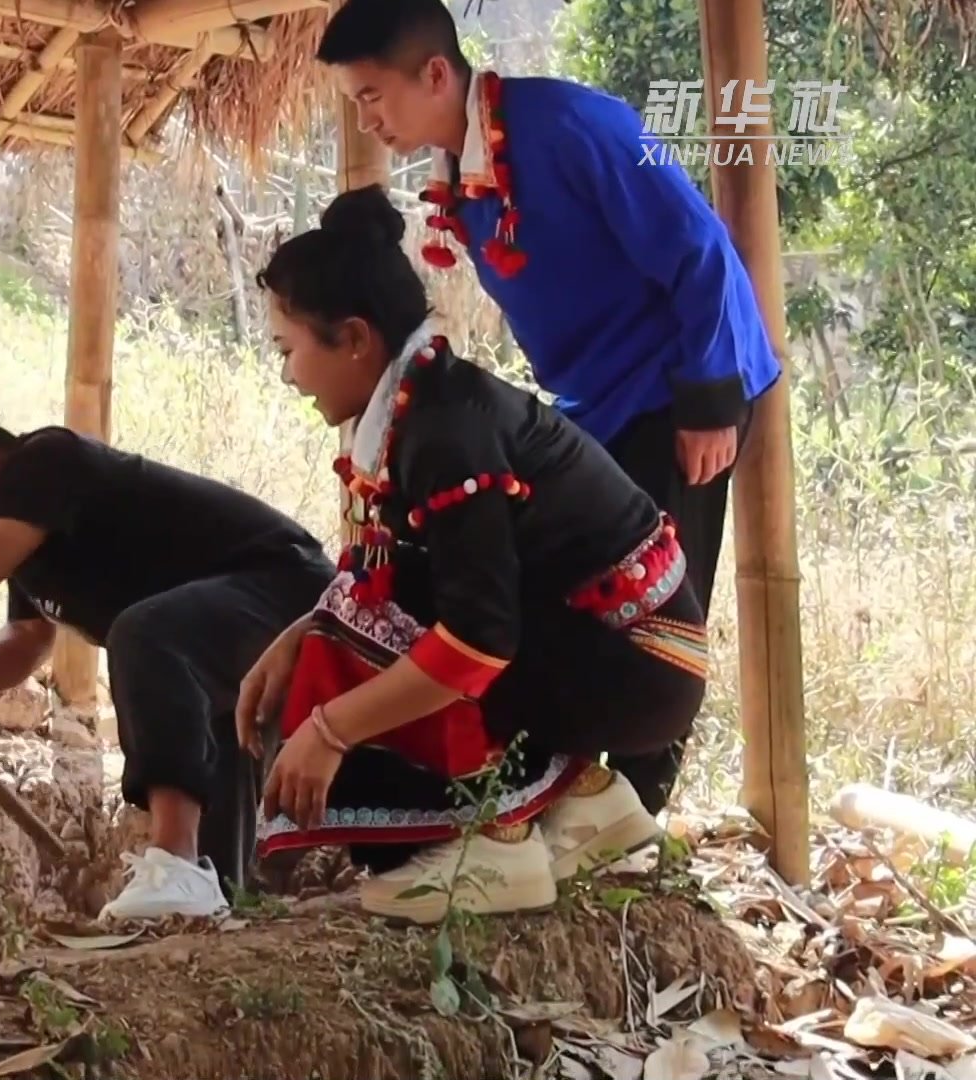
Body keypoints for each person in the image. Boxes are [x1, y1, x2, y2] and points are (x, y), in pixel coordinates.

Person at [314, 0, 780, 812]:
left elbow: (698, 247)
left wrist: (709, 398)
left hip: (677, 389)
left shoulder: (575, 124)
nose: (370, 119)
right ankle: (565, 797)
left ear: (433, 73)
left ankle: (634, 824)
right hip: (592, 407)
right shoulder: (457, 167)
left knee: (653, 622)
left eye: (371, 96)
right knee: (565, 603)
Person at [237, 184, 711, 925]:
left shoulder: (446, 432)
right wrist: (297, 635)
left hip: (641, 668)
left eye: (288, 349)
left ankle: (498, 841)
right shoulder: (425, 406)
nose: (289, 373)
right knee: (355, 614)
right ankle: (585, 798)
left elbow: (478, 641)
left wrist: (330, 731)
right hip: (613, 655)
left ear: (356, 339)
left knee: (381, 623)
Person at [0, 394, 335, 920]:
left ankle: (176, 865)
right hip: (223, 634)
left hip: (288, 589)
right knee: (209, 728)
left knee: (143, 632)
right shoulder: (24, 535)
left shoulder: (46, 461)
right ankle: (214, 904)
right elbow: (26, 639)